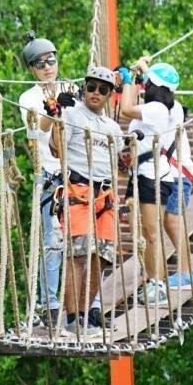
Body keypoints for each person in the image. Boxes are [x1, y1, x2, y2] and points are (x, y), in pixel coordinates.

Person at [50, 65, 124, 337]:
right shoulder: (71, 114)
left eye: (102, 90)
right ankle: (72, 319)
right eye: (91, 87)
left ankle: (84, 315)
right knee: (77, 254)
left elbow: (123, 163)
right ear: (85, 88)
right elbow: (56, 149)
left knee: (101, 256)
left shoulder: (113, 128)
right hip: (78, 190)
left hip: (105, 196)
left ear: (108, 95)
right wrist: (57, 116)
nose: (95, 93)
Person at [117, 60, 193, 305]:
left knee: (152, 233)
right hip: (141, 173)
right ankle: (151, 278)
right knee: (141, 231)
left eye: (147, 83)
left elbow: (125, 109)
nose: (144, 86)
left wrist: (129, 81)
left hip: (155, 175)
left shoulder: (159, 110)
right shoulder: (154, 108)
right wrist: (139, 74)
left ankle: (158, 284)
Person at [16, 35, 75, 331]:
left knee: (82, 241)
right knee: (52, 243)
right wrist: (52, 111)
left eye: (51, 60)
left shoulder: (73, 88)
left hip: (78, 173)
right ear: (31, 69)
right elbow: (34, 135)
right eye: (40, 64)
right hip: (51, 176)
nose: (48, 67)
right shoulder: (27, 98)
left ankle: (84, 309)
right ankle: (51, 308)